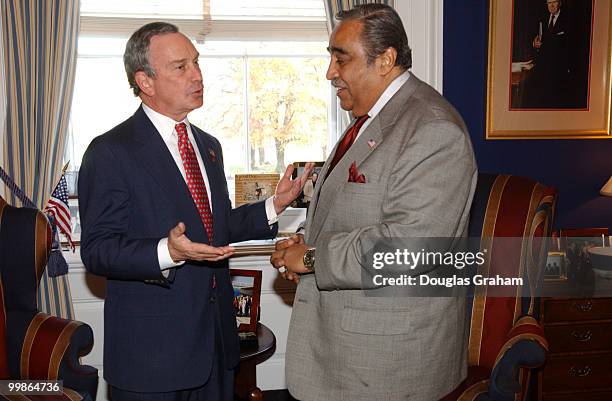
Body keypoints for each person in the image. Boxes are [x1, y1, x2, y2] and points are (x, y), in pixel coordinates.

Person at [78, 22, 312, 401]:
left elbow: (215, 226)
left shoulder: (208, 145)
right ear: (146, 81)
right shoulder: (109, 151)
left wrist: (275, 204)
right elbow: (98, 250)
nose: (197, 75)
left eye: (197, 63)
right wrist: (167, 252)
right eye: (181, 66)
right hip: (151, 360)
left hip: (216, 349)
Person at [270, 4, 477, 400]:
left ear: (385, 60)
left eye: (340, 58)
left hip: (389, 367)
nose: (330, 72)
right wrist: (304, 243)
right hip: (349, 360)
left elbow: (408, 249)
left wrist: (313, 259)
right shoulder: (370, 121)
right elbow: (345, 210)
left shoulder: (432, 129)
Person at [522, 0, 571, 108]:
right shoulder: (542, 18)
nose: (552, 5)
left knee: (555, 102)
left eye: (554, 2)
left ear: (560, 3)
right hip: (542, 67)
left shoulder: (568, 20)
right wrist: (534, 43)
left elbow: (570, 47)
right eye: (549, 3)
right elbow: (534, 37)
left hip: (559, 70)